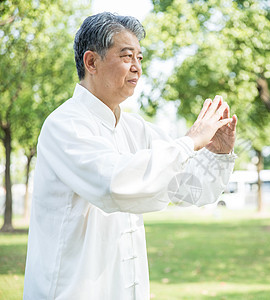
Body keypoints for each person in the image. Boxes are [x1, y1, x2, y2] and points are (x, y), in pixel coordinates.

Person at [23, 12, 237, 300]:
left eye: (140, 58)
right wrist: (189, 142)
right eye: (126, 56)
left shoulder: (135, 128)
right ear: (91, 62)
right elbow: (114, 184)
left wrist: (219, 154)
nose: (137, 68)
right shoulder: (65, 124)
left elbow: (193, 189)